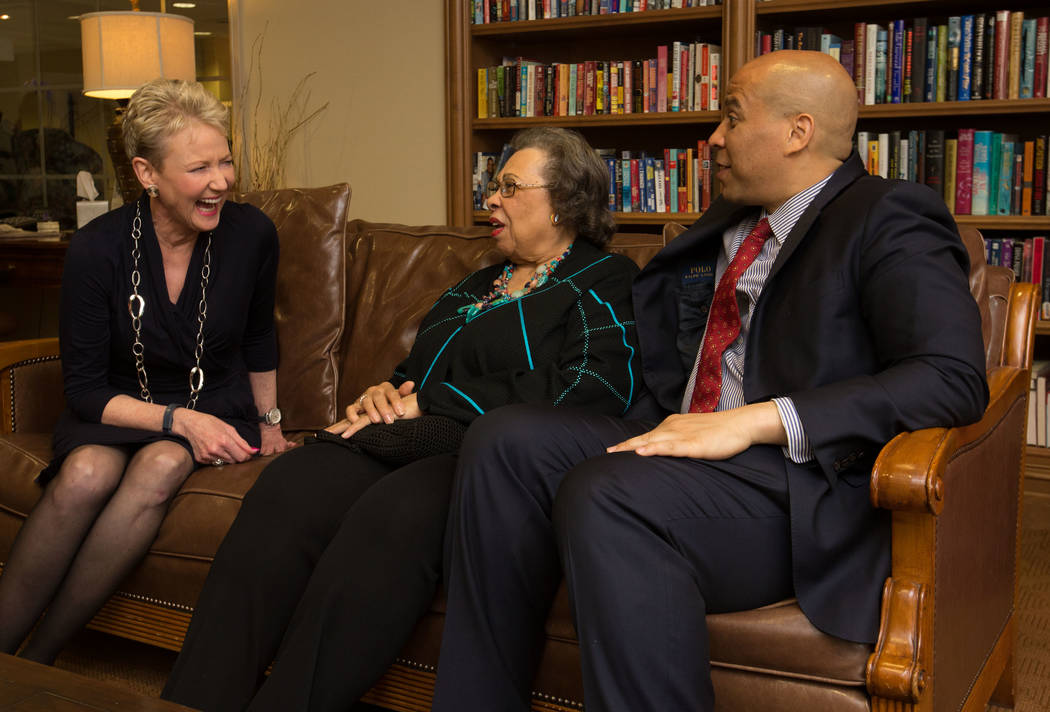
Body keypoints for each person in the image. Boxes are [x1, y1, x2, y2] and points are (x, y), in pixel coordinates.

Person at [430, 50, 989, 712]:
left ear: (797, 132)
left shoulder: (889, 215)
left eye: (731, 116)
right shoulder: (727, 221)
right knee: (504, 440)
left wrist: (756, 418)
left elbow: (951, 378)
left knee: (604, 492)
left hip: (790, 484)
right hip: (676, 439)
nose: (713, 137)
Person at [161, 126, 640, 712]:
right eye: (493, 187)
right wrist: (383, 394)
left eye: (509, 187)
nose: (490, 199)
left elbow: (596, 388)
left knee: (390, 517)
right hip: (406, 437)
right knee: (290, 485)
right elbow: (415, 370)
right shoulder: (476, 283)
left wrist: (435, 401)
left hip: (489, 461)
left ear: (565, 200)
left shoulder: (602, 279)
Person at [0, 78, 295, 665]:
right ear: (147, 174)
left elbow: (260, 336)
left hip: (213, 401)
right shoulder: (95, 249)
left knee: (161, 463)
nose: (220, 182)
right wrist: (176, 419)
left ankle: (40, 660)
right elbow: (83, 388)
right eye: (198, 168)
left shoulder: (252, 235)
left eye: (225, 161)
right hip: (116, 406)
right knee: (83, 474)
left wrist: (269, 423)